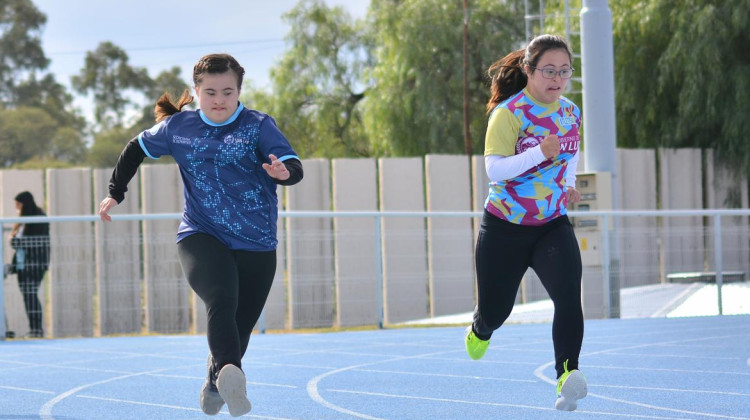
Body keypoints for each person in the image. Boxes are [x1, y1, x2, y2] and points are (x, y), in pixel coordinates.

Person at [98, 53, 303, 417]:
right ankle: (231, 373)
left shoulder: (258, 125)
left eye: (228, 91)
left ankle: (215, 380)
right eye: (210, 92)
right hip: (200, 233)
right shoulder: (178, 128)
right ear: (196, 91)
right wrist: (116, 191)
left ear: (239, 90)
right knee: (221, 299)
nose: (219, 99)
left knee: (240, 328)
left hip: (256, 241)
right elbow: (135, 149)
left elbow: (293, 165)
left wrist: (284, 173)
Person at [464, 34, 587, 411]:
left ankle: (567, 375)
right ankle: (480, 327)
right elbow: (495, 170)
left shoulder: (569, 112)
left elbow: (572, 152)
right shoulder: (509, 113)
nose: (557, 79)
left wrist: (568, 185)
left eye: (564, 71)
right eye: (549, 71)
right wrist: (538, 152)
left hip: (551, 223)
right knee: (497, 312)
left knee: (568, 297)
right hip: (505, 227)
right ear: (529, 70)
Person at [8, 191, 50, 339]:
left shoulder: (38, 217)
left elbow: (34, 241)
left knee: (31, 294)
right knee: (28, 296)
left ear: (25, 204)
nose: (17, 208)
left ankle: (36, 329)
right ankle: (34, 328)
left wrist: (14, 241)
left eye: (19, 205)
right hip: (22, 265)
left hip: (35, 264)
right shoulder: (23, 220)